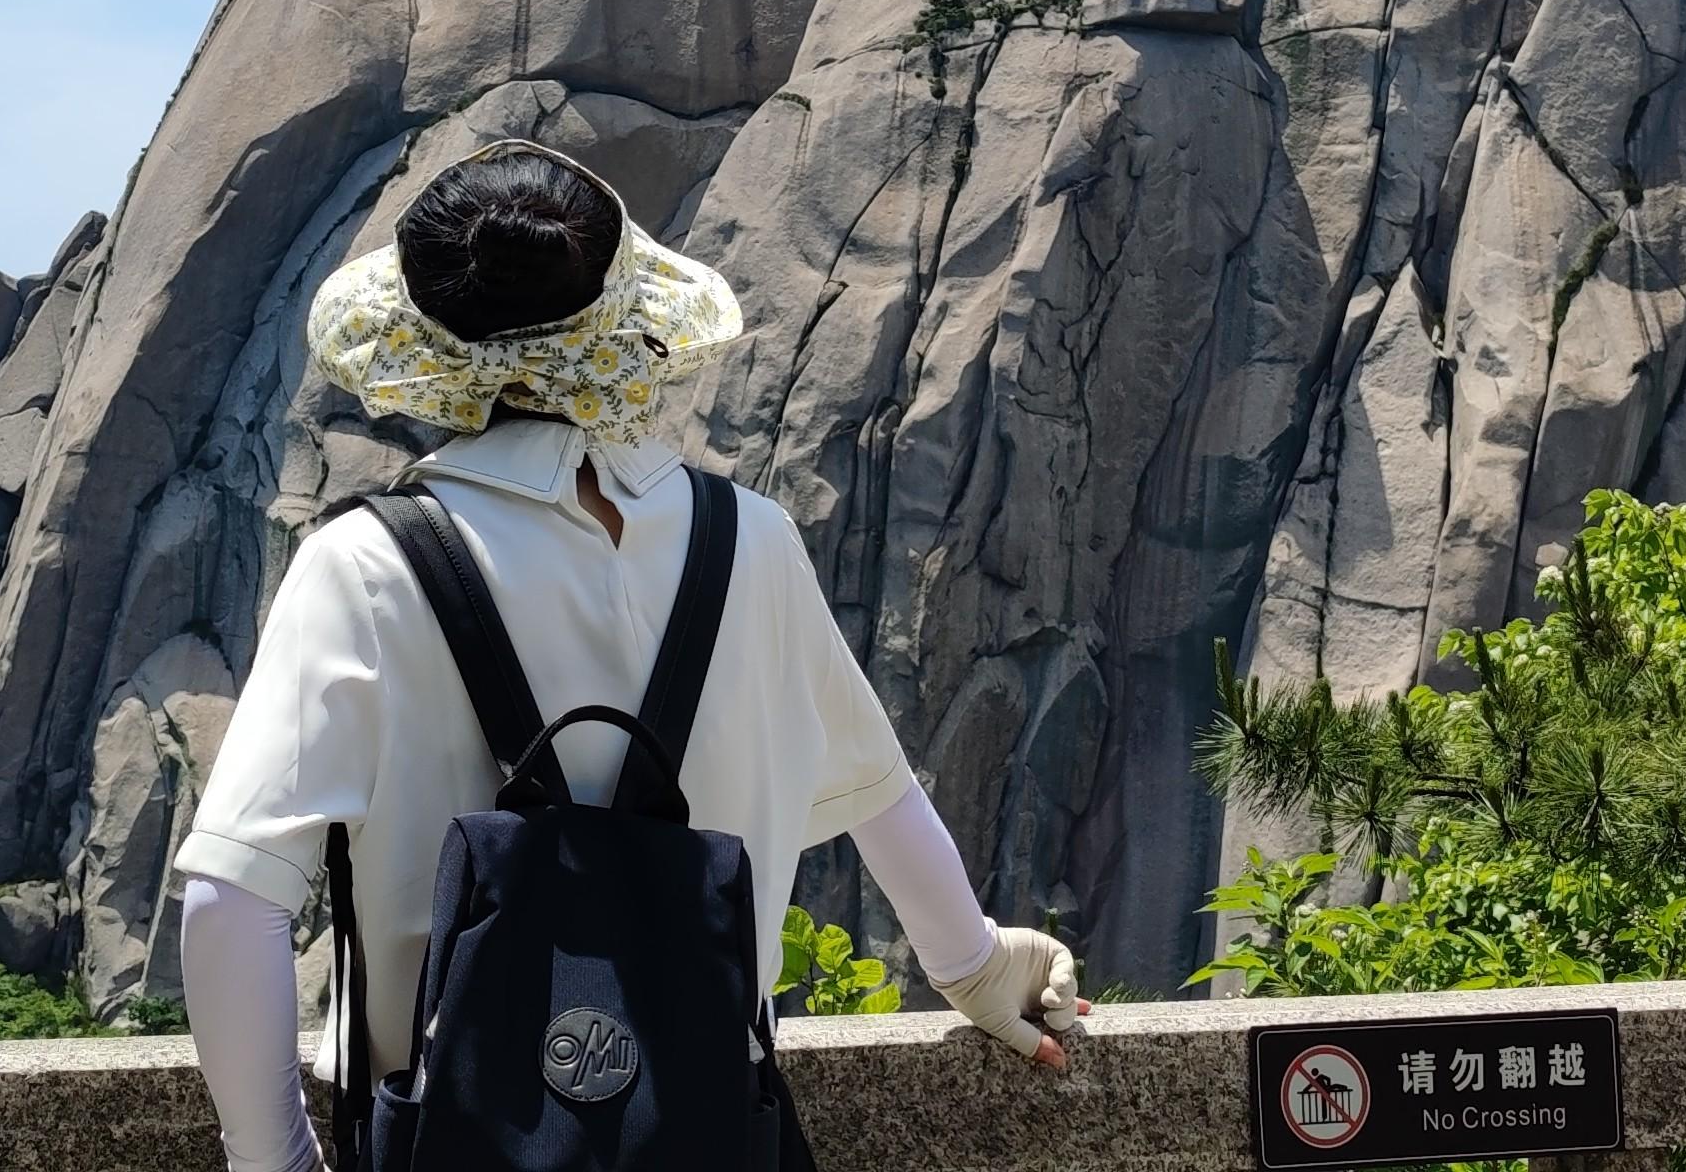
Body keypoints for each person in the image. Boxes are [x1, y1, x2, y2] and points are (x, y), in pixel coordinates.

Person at [172, 139, 1089, 1172]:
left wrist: (277, 1161)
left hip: (447, 1145)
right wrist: (975, 965)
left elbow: (232, 895)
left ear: (427, 336)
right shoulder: (752, 543)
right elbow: (881, 796)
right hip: (710, 1139)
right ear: (623, 318)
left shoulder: (365, 565)